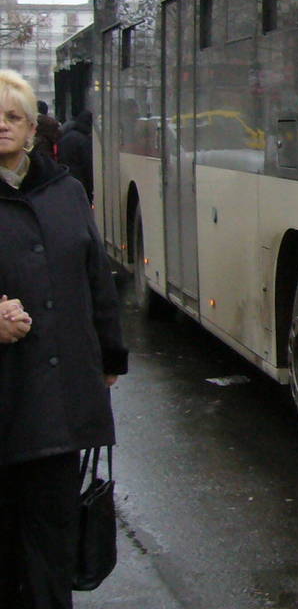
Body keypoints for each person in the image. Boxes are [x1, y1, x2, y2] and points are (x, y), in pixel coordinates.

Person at [0, 70, 128, 609]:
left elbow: (96, 278)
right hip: (6, 400)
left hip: (59, 404)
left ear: (33, 129)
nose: (2, 125)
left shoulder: (66, 191)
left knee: (52, 541)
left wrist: (110, 355)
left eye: (13, 116)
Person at [58, 109, 94, 202]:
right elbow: (88, 165)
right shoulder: (84, 141)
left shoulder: (66, 137)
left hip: (65, 179)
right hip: (81, 182)